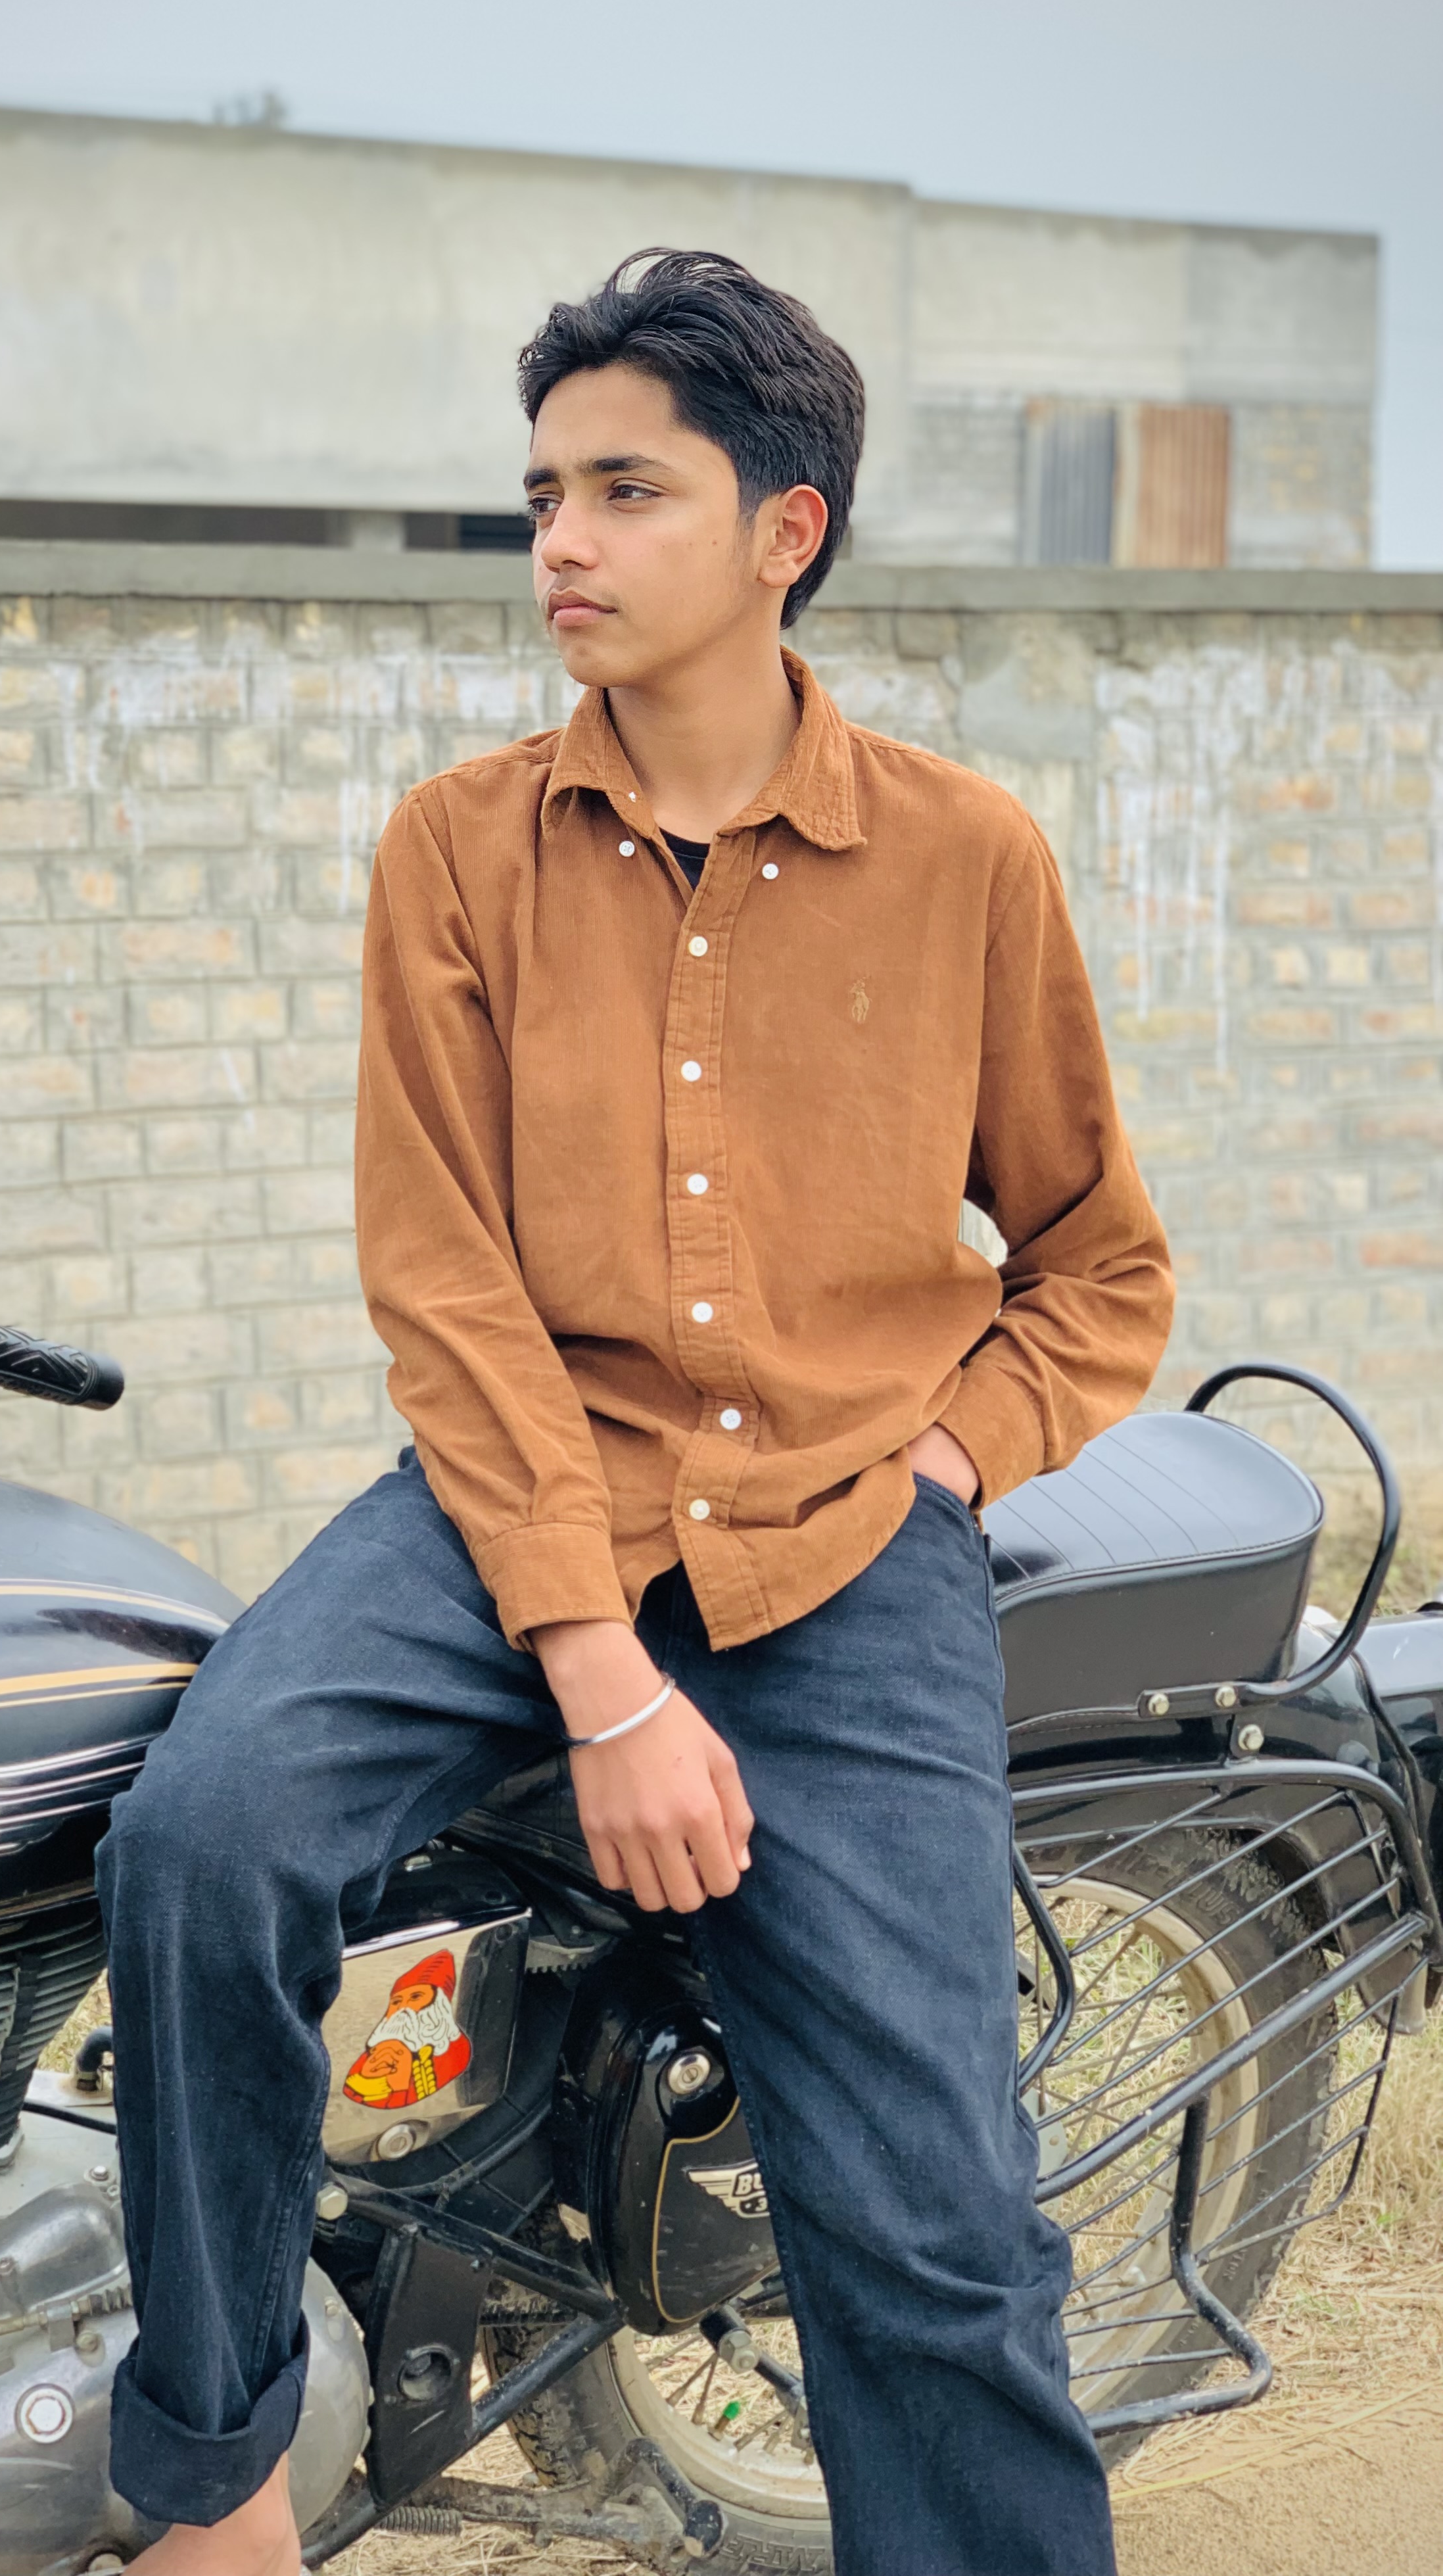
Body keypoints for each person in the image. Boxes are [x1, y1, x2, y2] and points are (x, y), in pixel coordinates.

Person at [97, 247, 1171, 2576]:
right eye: (541, 496)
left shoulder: (966, 859)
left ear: (786, 529)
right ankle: (214, 2481)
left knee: (935, 2224)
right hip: (513, 1503)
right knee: (205, 1840)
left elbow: (1100, 1263)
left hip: (845, 1549)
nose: (560, 544)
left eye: (623, 492)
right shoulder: (458, 848)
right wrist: (597, 1667)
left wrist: (942, 1463)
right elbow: (447, 1285)